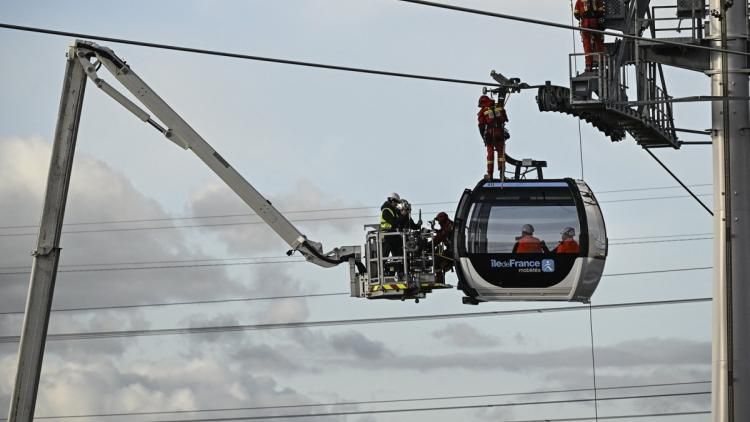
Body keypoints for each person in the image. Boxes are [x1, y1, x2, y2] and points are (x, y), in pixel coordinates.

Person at [477, 95, 509, 180]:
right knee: (501, 154)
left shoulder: (483, 111)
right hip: (500, 133)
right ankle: (502, 174)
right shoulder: (499, 106)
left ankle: (490, 175)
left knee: (490, 155)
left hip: (490, 134)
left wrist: (484, 138)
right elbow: (505, 119)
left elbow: (481, 126)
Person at [574, 0, 606, 72]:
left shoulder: (580, 1)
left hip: (591, 25)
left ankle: (592, 64)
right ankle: (594, 64)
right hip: (592, 25)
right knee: (590, 45)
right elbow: (576, 13)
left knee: (593, 45)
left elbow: (576, 14)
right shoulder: (580, 1)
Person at [433, 212, 455, 283]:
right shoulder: (448, 225)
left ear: (442, 219)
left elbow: (441, 237)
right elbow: (442, 233)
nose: (438, 222)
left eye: (438, 220)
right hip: (453, 250)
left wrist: (429, 244)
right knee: (439, 253)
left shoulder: (448, 226)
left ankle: (439, 278)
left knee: (436, 258)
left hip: (453, 251)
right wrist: (435, 230)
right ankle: (441, 274)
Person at [380, 192, 402, 257]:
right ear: (392, 201)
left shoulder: (394, 211)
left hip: (392, 235)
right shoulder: (386, 210)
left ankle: (397, 264)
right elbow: (394, 223)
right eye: (396, 202)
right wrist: (402, 216)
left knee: (397, 255)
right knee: (385, 256)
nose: (397, 204)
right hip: (387, 235)